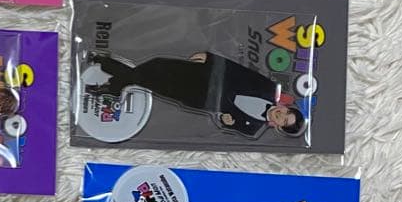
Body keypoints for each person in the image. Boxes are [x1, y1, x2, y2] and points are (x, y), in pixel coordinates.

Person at [84, 50, 306, 140]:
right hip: (204, 75)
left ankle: (105, 68)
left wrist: (227, 120)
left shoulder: (253, 128)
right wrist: (211, 58)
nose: (280, 115)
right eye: (285, 113)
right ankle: (110, 82)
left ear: (279, 127)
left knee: (149, 81)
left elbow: (227, 122)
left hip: (199, 97)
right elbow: (240, 71)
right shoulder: (268, 88)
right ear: (284, 107)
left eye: (283, 121)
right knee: (156, 64)